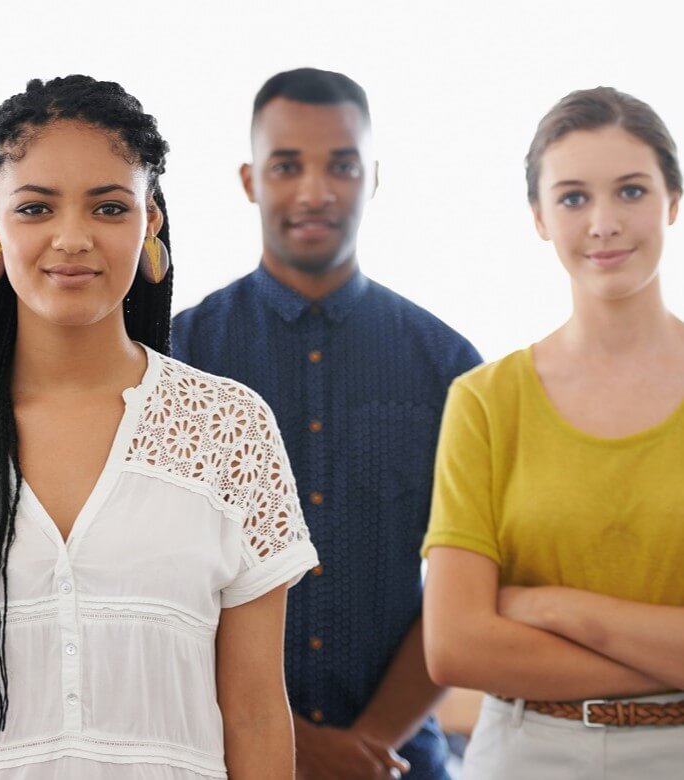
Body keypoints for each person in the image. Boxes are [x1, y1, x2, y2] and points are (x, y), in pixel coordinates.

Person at [0, 75, 320, 779]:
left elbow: (257, 711)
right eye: (36, 208)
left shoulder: (230, 429)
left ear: (152, 221)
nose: (72, 238)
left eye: (110, 207)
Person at [172, 68, 480, 779]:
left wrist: (367, 744)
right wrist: (302, 750)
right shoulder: (179, 357)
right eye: (287, 165)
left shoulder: (451, 367)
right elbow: (156, 583)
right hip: (216, 757)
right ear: (250, 179)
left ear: (372, 177)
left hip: (399, 759)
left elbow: (472, 585)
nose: (315, 191)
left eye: (340, 165)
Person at [423, 87, 684, 779]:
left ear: (674, 202)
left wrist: (558, 609)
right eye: (572, 198)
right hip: (525, 754)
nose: (603, 223)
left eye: (631, 191)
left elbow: (487, 634)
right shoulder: (484, 400)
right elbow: (454, 648)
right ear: (539, 217)